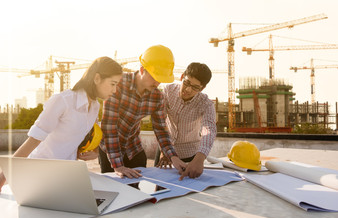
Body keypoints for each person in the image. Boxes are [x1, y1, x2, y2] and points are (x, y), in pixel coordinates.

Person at [0, 56, 123, 192]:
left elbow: (89, 136)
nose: (115, 90)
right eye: (113, 84)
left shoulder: (94, 106)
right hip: (40, 175)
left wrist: (94, 152)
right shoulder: (63, 101)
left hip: (66, 176)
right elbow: (33, 141)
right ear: (97, 78)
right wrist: (2, 177)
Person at [99, 45, 187, 179]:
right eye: (154, 77)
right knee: (115, 191)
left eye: (161, 78)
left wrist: (173, 157)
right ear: (142, 70)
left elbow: (161, 130)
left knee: (138, 193)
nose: (157, 82)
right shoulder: (118, 84)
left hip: (134, 150)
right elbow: (109, 127)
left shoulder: (157, 97)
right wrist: (117, 165)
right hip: (109, 151)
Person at [156, 62, 217, 180]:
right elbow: (160, 123)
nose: (188, 90)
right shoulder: (168, 91)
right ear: (182, 76)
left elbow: (209, 129)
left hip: (190, 155)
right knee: (160, 189)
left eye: (195, 87)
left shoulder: (206, 104)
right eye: (187, 83)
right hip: (165, 152)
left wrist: (200, 159)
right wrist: (165, 151)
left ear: (202, 88)